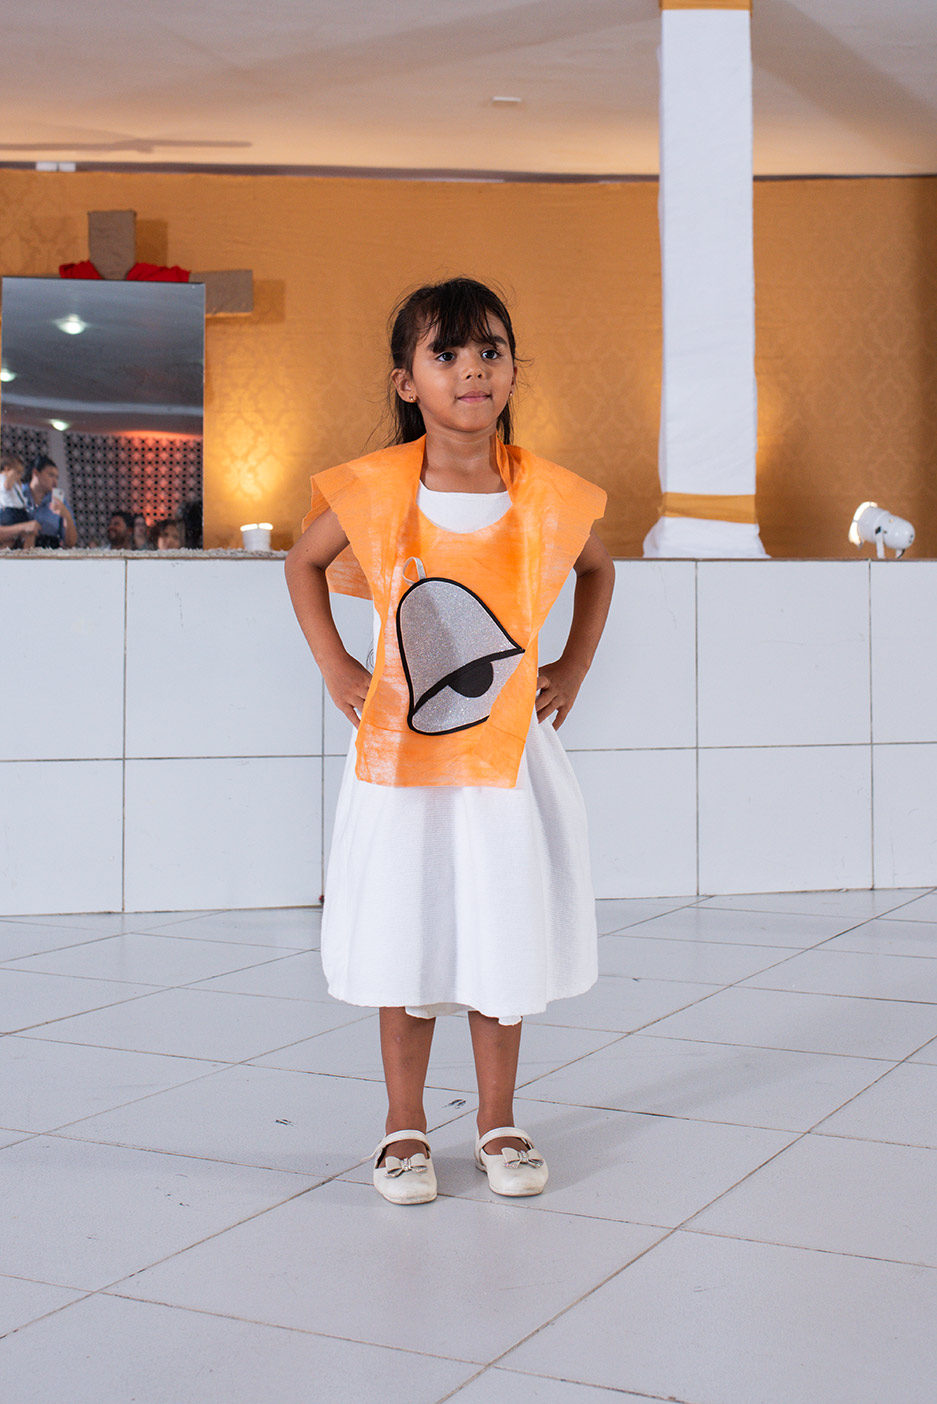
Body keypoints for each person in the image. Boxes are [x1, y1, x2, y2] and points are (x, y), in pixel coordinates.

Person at [285, 277, 614, 1206]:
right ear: (407, 382)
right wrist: (338, 668)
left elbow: (597, 569)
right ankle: (403, 1125)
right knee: (408, 926)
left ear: (511, 370)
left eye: (490, 351)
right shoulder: (378, 488)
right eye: (447, 354)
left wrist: (572, 668)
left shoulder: (541, 492)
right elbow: (302, 563)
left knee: (498, 926)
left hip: (505, 765)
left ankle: (498, 1121)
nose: (473, 369)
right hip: (402, 761)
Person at [22, 456, 77, 549]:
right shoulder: (17, 493)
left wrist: (67, 517)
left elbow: (70, 543)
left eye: (57, 477)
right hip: (16, 549)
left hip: (49, 550)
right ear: (35, 473)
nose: (55, 482)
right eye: (51, 475)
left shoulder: (59, 501)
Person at [0, 454, 39, 550]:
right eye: (18, 472)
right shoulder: (3, 478)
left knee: (28, 534)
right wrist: (11, 475)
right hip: (10, 511)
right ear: (7, 469)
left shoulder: (15, 483)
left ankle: (27, 553)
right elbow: (6, 486)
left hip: (20, 510)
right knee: (10, 539)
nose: (19, 475)